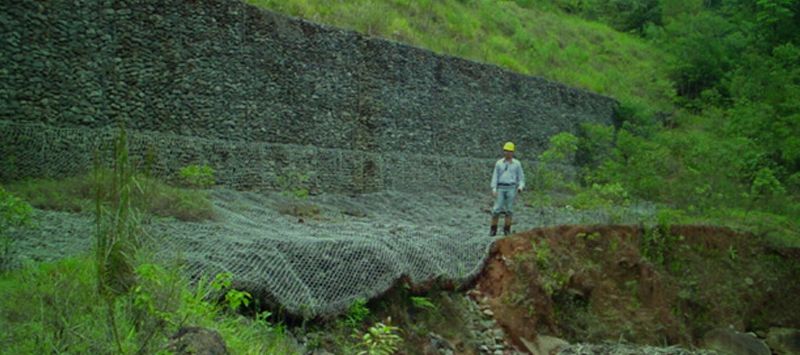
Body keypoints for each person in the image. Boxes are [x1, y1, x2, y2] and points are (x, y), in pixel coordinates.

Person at [490, 142, 525, 236]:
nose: (507, 153)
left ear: (513, 152)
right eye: (506, 151)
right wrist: (494, 188)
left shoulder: (517, 164)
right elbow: (495, 176)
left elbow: (521, 177)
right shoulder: (499, 163)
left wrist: (520, 186)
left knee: (509, 210)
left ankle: (507, 230)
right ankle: (493, 229)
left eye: (510, 151)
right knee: (496, 209)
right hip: (501, 187)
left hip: (511, 188)